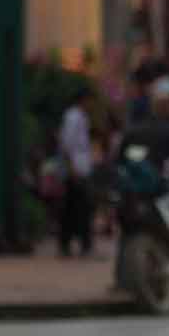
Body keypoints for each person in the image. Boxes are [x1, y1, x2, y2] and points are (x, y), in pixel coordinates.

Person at [57, 88, 96, 257]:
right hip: (75, 170)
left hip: (81, 168)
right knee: (77, 208)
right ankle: (74, 243)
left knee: (76, 208)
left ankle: (75, 243)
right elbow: (67, 144)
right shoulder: (73, 117)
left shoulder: (82, 117)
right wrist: (71, 168)